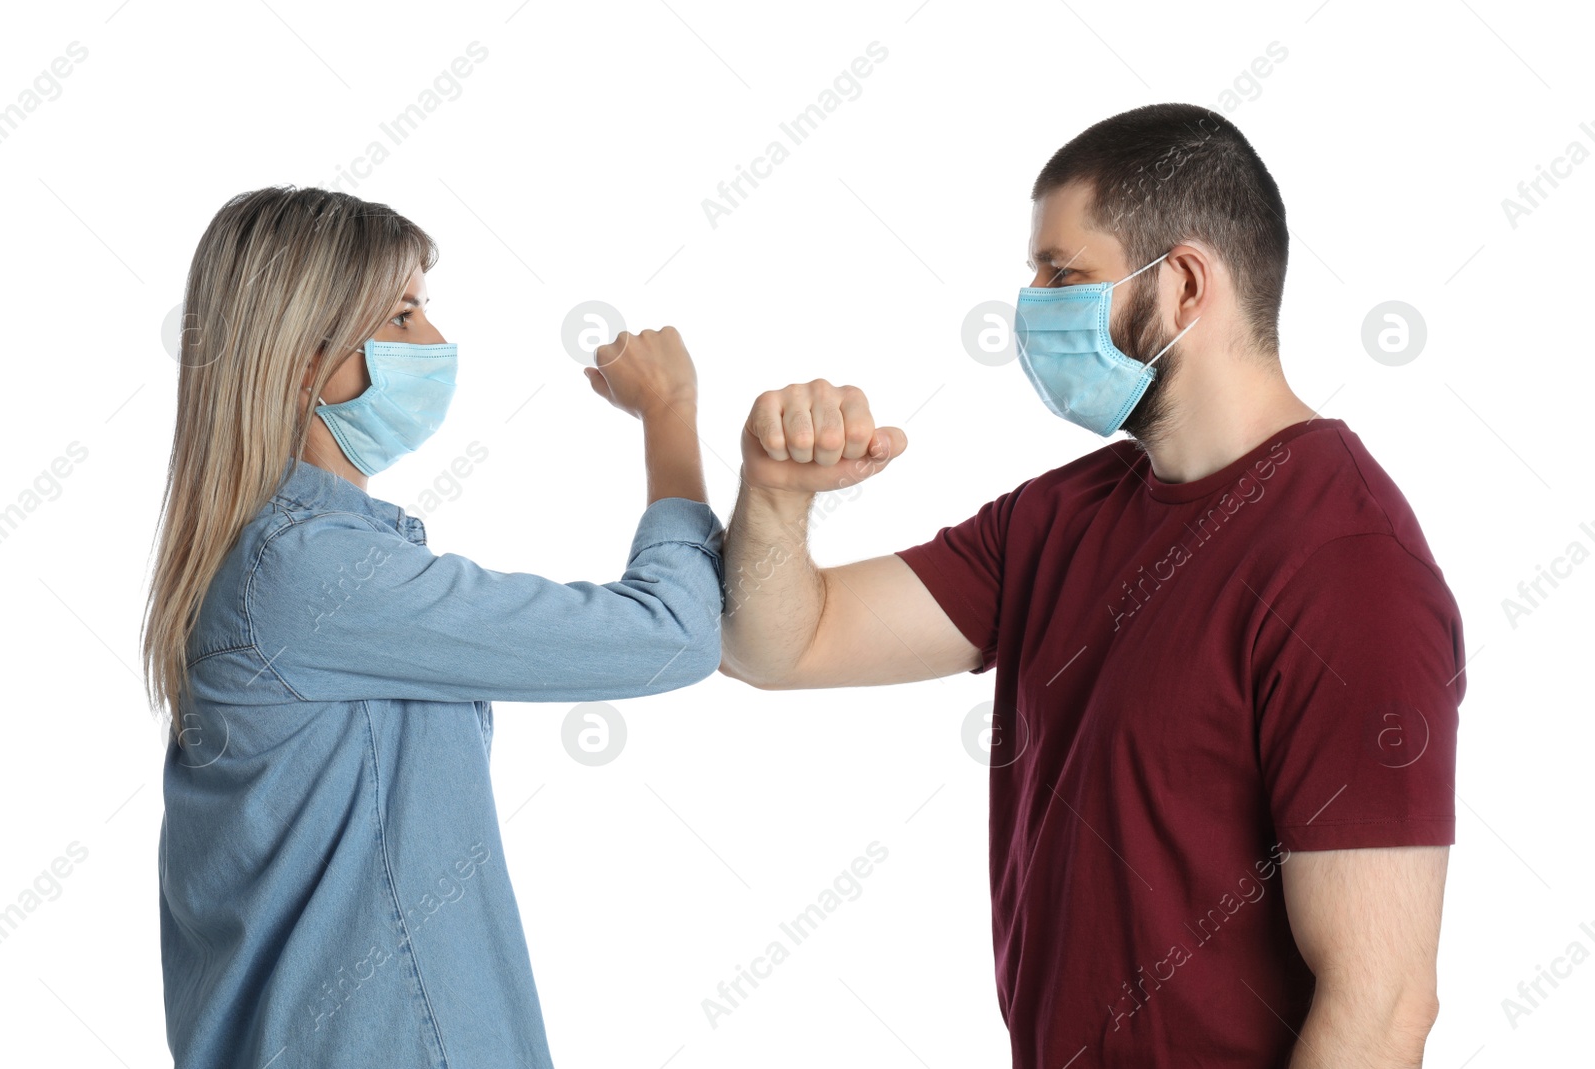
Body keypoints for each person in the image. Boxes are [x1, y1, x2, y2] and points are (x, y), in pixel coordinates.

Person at [719, 103, 1463, 1068]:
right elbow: (774, 645)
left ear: (1187, 283)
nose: (1030, 306)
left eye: (1062, 274)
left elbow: (1382, 1005)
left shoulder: (1349, 566)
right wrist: (776, 494)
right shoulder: (1056, 519)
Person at [140, 186, 722, 1068]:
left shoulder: (270, 563)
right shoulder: (310, 574)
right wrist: (671, 416)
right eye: (404, 312)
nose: (436, 343)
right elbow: (670, 634)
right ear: (304, 358)